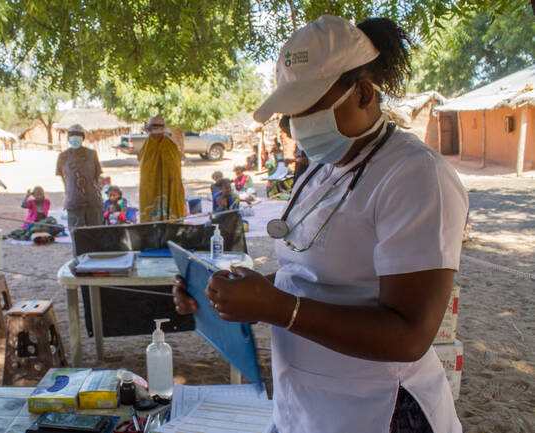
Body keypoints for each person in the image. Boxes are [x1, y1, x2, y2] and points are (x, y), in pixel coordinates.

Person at [174, 15, 468, 433]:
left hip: (377, 411)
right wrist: (234, 293)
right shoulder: (322, 168)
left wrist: (275, 307)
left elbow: (410, 334)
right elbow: (307, 276)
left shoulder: (416, 176)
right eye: (289, 113)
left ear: (364, 92)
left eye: (309, 107)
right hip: (304, 408)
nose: (297, 125)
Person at [56, 124, 103, 233]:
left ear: (83, 137)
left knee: (97, 233)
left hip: (93, 201)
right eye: (72, 135)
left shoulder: (92, 154)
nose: (74, 137)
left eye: (78, 135)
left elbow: (96, 176)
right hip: (73, 202)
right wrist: (71, 193)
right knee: (76, 235)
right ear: (68, 138)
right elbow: (64, 179)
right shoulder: (62, 157)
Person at [137, 116, 185, 222]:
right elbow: (143, 164)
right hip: (150, 188)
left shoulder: (171, 146)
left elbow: (175, 170)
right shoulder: (147, 146)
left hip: (170, 186)